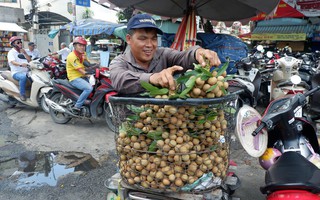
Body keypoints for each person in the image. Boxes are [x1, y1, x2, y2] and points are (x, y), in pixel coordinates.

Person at [109, 14, 221, 95]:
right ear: (128, 39)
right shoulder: (119, 62)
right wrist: (152, 78)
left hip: (163, 122)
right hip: (133, 123)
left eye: (153, 39)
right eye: (142, 39)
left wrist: (197, 52)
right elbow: (120, 80)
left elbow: (182, 57)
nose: (149, 45)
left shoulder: (163, 54)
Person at [66, 36, 93, 112]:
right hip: (74, 78)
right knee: (89, 88)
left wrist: (98, 67)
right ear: (75, 46)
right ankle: (77, 106)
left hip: (82, 77)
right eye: (80, 45)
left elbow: (88, 64)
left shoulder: (83, 54)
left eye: (84, 46)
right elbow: (81, 70)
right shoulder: (72, 56)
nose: (82, 47)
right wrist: (89, 74)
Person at [7, 36, 31, 101]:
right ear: (13, 44)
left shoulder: (23, 51)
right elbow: (13, 62)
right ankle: (22, 94)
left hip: (27, 72)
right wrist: (20, 64)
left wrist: (25, 53)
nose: (20, 43)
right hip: (16, 72)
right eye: (18, 42)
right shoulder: (11, 52)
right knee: (23, 77)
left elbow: (29, 60)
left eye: (20, 42)